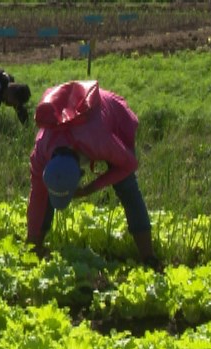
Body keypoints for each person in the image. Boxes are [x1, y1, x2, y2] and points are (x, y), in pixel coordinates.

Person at [27, 80, 159, 267]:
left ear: (81, 173)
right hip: (77, 124)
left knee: (127, 187)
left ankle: (149, 257)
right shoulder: (41, 151)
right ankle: (35, 248)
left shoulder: (100, 141)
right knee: (44, 196)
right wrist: (31, 243)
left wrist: (91, 188)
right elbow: (37, 197)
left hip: (110, 117)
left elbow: (128, 164)